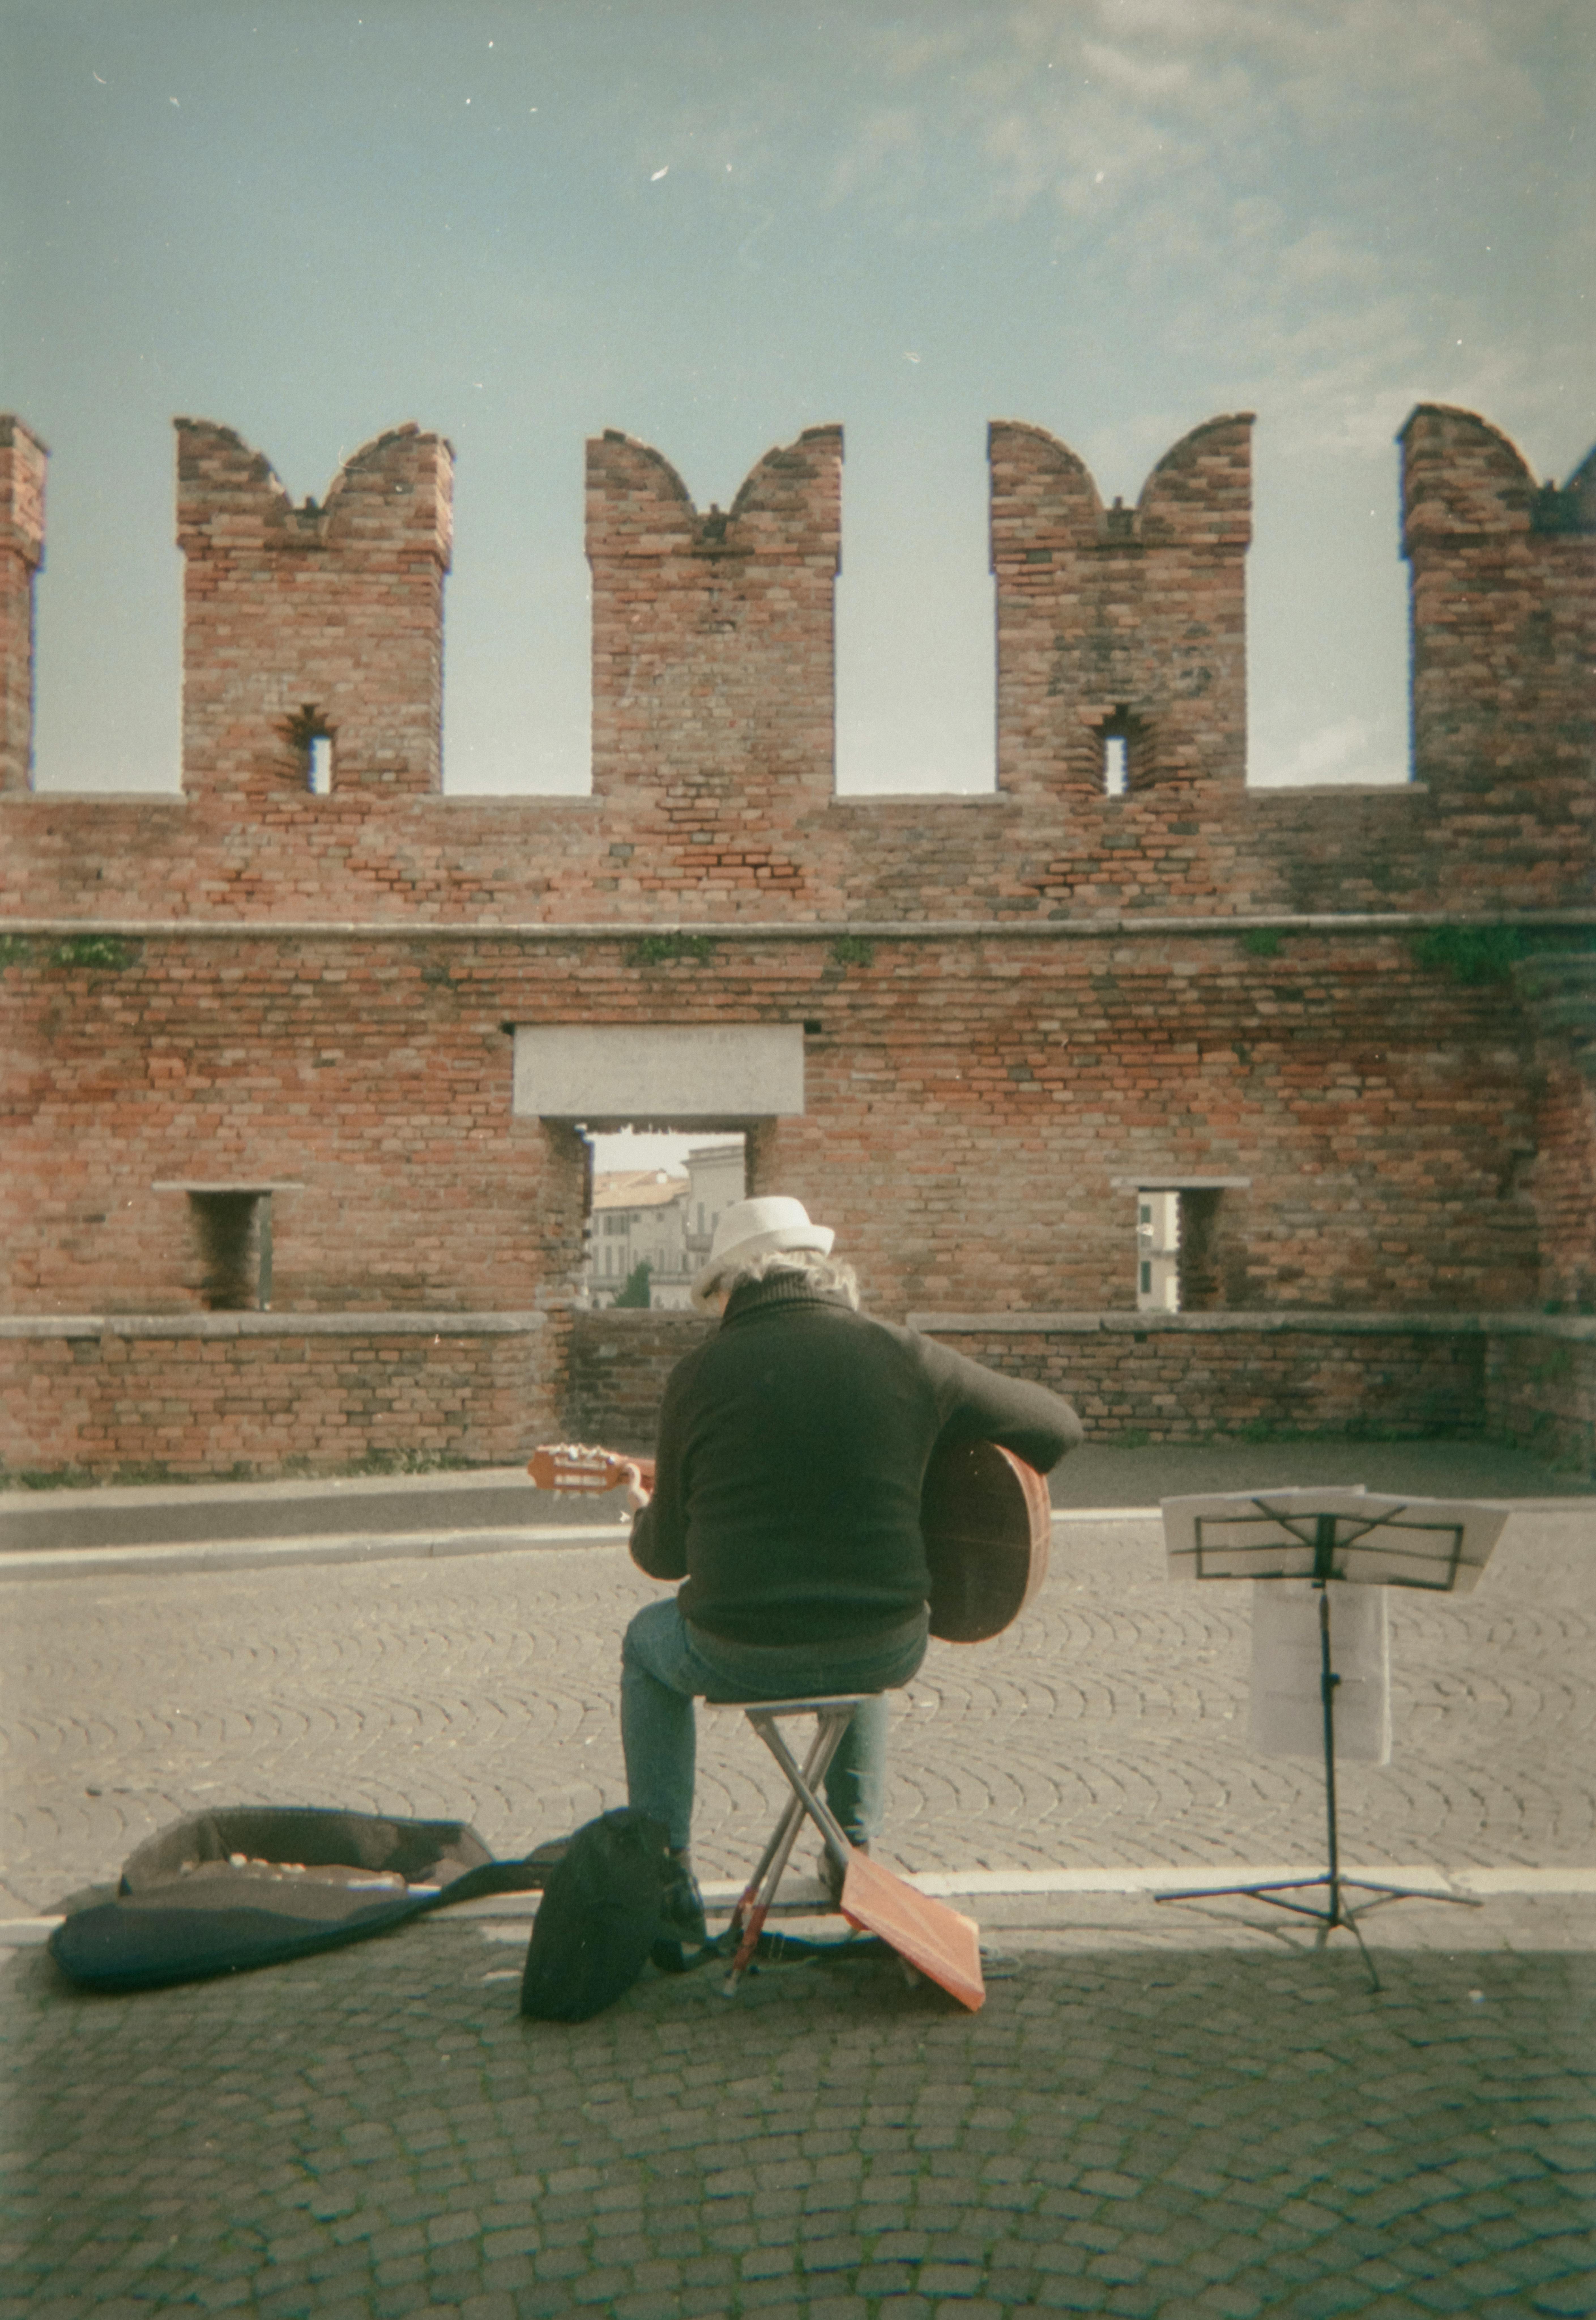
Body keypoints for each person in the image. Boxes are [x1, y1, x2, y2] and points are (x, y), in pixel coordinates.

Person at [618, 1194, 1083, 1948]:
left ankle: (667, 1872)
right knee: (865, 1608)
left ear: (731, 1289)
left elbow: (664, 1558)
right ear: (822, 1272)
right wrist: (930, 1458)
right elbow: (1057, 1427)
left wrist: (642, 1513)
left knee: (645, 1645)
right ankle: (851, 1855)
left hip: (735, 1653)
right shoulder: (904, 1355)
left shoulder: (698, 1375)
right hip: (885, 1648)